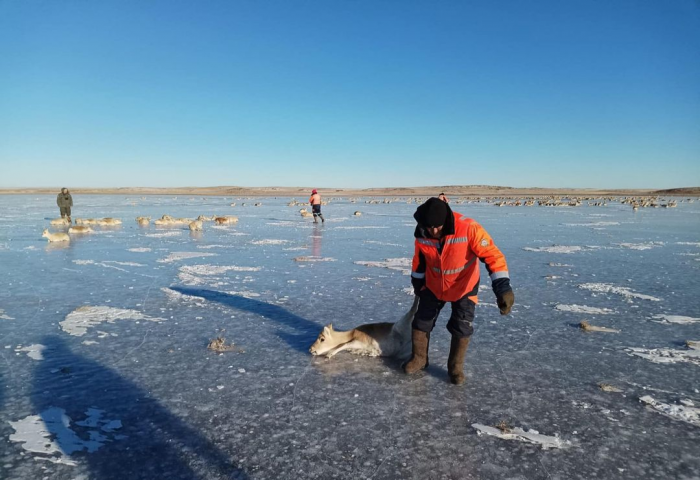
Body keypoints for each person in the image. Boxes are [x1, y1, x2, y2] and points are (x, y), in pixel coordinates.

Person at [405, 197, 514, 384]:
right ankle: (420, 359)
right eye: (430, 227)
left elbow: (493, 256)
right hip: (433, 286)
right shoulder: (422, 232)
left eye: (437, 226)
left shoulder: (469, 228)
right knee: (420, 323)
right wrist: (417, 282)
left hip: (464, 287)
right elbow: (419, 260)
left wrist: (502, 287)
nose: (434, 231)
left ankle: (455, 368)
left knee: (462, 327)